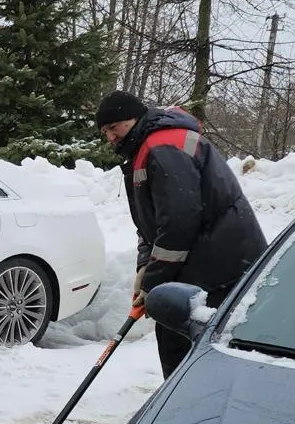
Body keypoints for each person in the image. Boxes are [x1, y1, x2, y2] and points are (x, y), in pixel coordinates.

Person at [96, 90, 267, 377]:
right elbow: (150, 223)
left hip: (222, 266)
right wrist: (143, 266)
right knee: (176, 338)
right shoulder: (143, 148)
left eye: (114, 128)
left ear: (134, 118)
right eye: (105, 132)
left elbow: (179, 224)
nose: (110, 137)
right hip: (200, 259)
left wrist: (153, 282)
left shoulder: (163, 147)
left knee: (189, 347)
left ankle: (185, 410)